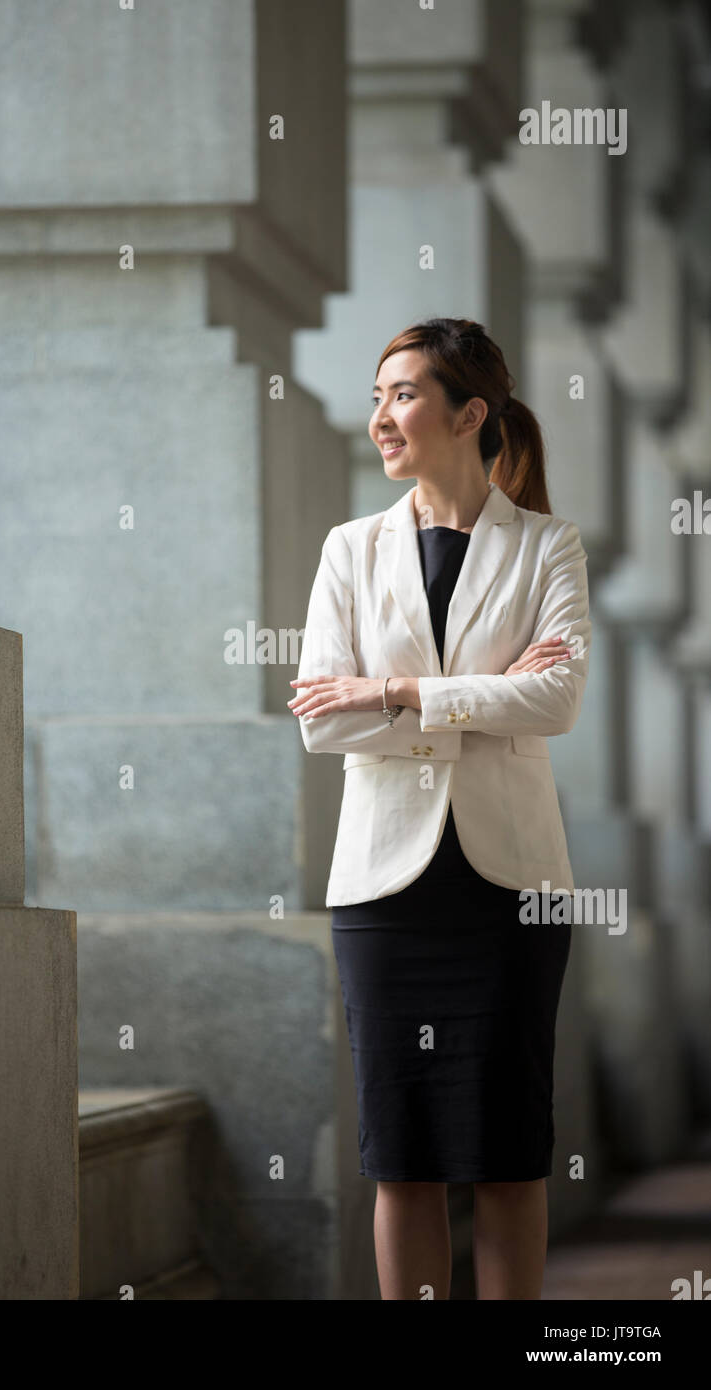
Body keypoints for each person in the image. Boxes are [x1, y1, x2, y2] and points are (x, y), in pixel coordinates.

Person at [288, 317, 591, 1300]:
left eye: (402, 394)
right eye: (376, 396)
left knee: (507, 1154)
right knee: (403, 1157)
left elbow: (555, 701)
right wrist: (477, 695)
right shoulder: (348, 548)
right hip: (384, 889)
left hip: (510, 890)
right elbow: (318, 724)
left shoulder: (547, 545)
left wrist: (400, 693)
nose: (379, 417)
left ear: (469, 413)